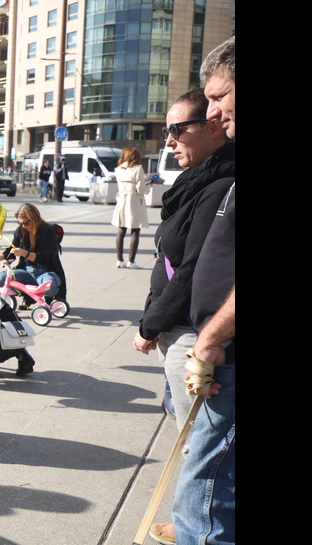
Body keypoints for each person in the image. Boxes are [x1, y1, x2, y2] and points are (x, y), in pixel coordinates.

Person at [158, 36, 235, 545]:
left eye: (219, 96)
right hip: (214, 345)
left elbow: (187, 267)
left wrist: (210, 338)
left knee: (203, 493)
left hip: (222, 353)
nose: (212, 112)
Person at [133, 87, 234, 430]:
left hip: (191, 336)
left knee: (195, 447)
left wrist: (150, 325)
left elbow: (192, 269)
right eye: (166, 132)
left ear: (213, 127)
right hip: (177, 331)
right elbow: (167, 256)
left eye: (177, 130)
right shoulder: (197, 182)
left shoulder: (219, 186)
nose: (169, 142)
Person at [0, 203, 67, 303]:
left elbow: (43, 257)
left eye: (26, 223)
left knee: (50, 287)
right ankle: (29, 296)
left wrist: (24, 253)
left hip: (45, 271)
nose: (23, 226)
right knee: (1, 279)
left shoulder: (48, 231)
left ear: (35, 219)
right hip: (27, 271)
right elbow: (11, 250)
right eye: (20, 223)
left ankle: (49, 297)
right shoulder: (20, 231)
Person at [110, 147, 150, 269]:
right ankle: (131, 261)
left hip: (122, 200)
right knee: (135, 231)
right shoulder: (138, 169)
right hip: (134, 202)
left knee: (121, 231)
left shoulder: (118, 169)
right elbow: (141, 189)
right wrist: (149, 185)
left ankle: (119, 260)